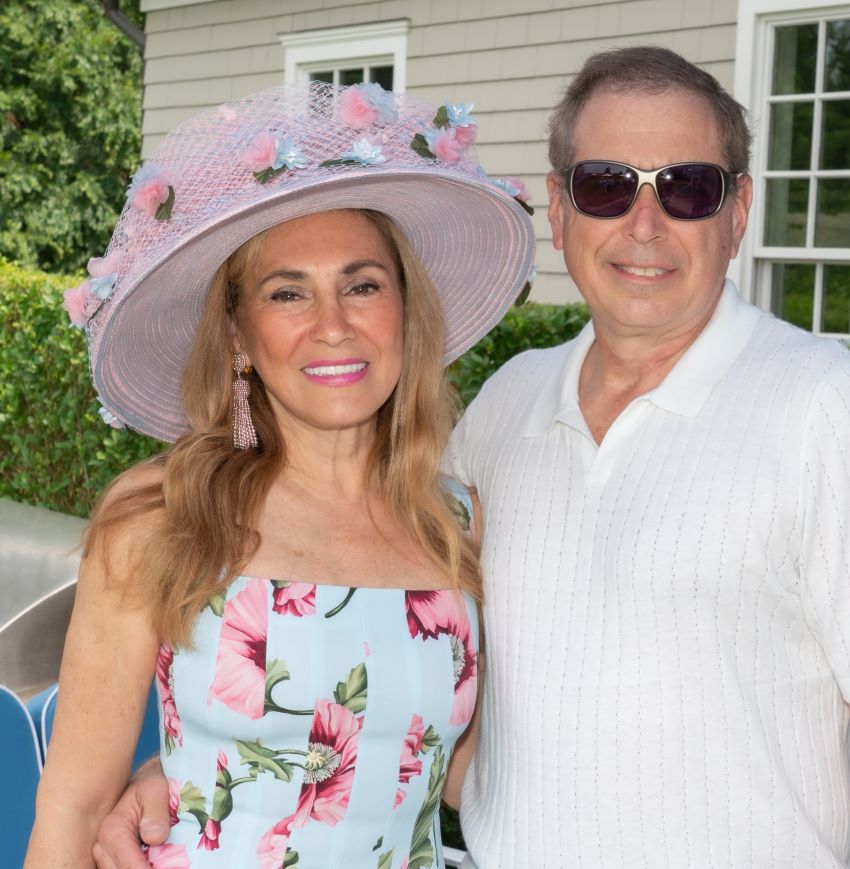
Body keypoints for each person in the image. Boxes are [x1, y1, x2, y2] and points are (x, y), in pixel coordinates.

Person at [94, 46, 850, 869]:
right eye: (607, 185)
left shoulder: (823, 409)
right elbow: (423, 678)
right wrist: (205, 761)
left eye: (688, 188)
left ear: (738, 212)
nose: (644, 223)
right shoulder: (503, 413)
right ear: (561, 205)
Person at [26, 80, 534, 869]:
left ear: (405, 310)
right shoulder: (161, 519)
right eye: (287, 292)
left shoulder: (456, 519)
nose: (333, 325)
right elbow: (74, 804)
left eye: (363, 285)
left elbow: (471, 771)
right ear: (238, 332)